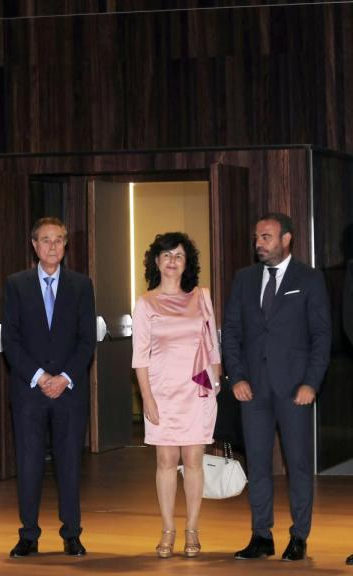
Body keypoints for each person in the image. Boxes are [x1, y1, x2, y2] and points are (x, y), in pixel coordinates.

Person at [222, 213, 331, 562]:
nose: (259, 244)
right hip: (252, 390)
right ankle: (261, 535)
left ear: (287, 239)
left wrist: (311, 383)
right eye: (257, 237)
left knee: (297, 464)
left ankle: (299, 536)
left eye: (266, 237)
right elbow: (232, 333)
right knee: (257, 463)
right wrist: (236, 377)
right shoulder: (243, 279)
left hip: (295, 389)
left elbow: (321, 335)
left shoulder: (310, 279)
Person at [2, 217, 96, 558]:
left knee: (70, 464)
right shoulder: (16, 284)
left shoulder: (82, 285)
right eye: (45, 240)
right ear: (34, 245)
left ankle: (72, 533)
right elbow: (9, 339)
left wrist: (64, 378)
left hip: (70, 391)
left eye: (58, 240)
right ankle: (28, 534)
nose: (52, 246)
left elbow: (87, 340)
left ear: (66, 244)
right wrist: (41, 377)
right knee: (29, 465)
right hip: (30, 391)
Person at [131, 233, 221, 559]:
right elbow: (139, 356)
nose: (172, 260)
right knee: (166, 461)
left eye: (179, 255)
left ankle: (192, 529)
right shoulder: (145, 303)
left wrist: (215, 386)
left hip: (197, 390)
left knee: (194, 461)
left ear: (187, 263)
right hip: (162, 391)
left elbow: (213, 347)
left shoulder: (202, 297)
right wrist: (147, 398)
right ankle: (167, 529)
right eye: (166, 255)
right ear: (156, 262)